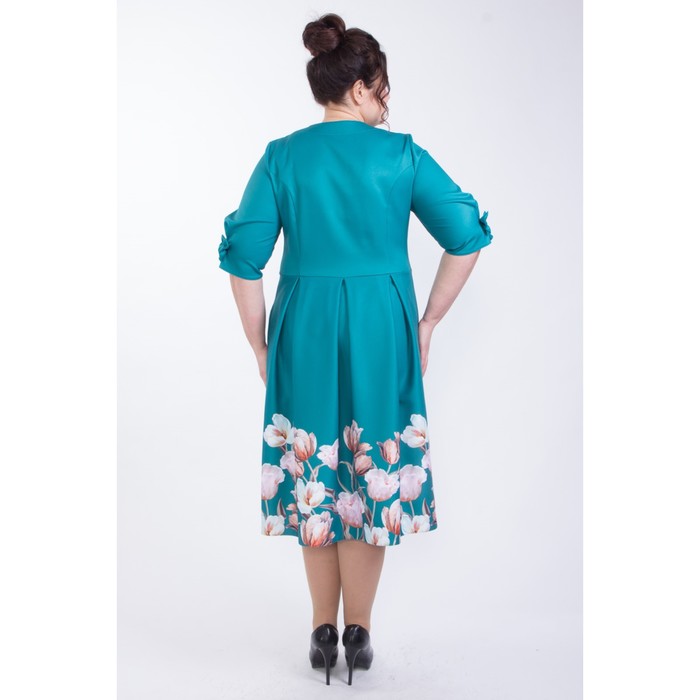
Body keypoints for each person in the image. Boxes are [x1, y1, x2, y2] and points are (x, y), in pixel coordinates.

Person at [217, 12, 493, 686]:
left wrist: (259, 344)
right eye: (383, 86)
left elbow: (243, 258)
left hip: (304, 329)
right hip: (381, 330)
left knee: (314, 472)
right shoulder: (402, 156)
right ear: (363, 86)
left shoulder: (282, 157)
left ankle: (321, 631)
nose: (386, 99)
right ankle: (359, 631)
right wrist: (427, 323)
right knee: (372, 476)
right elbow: (466, 235)